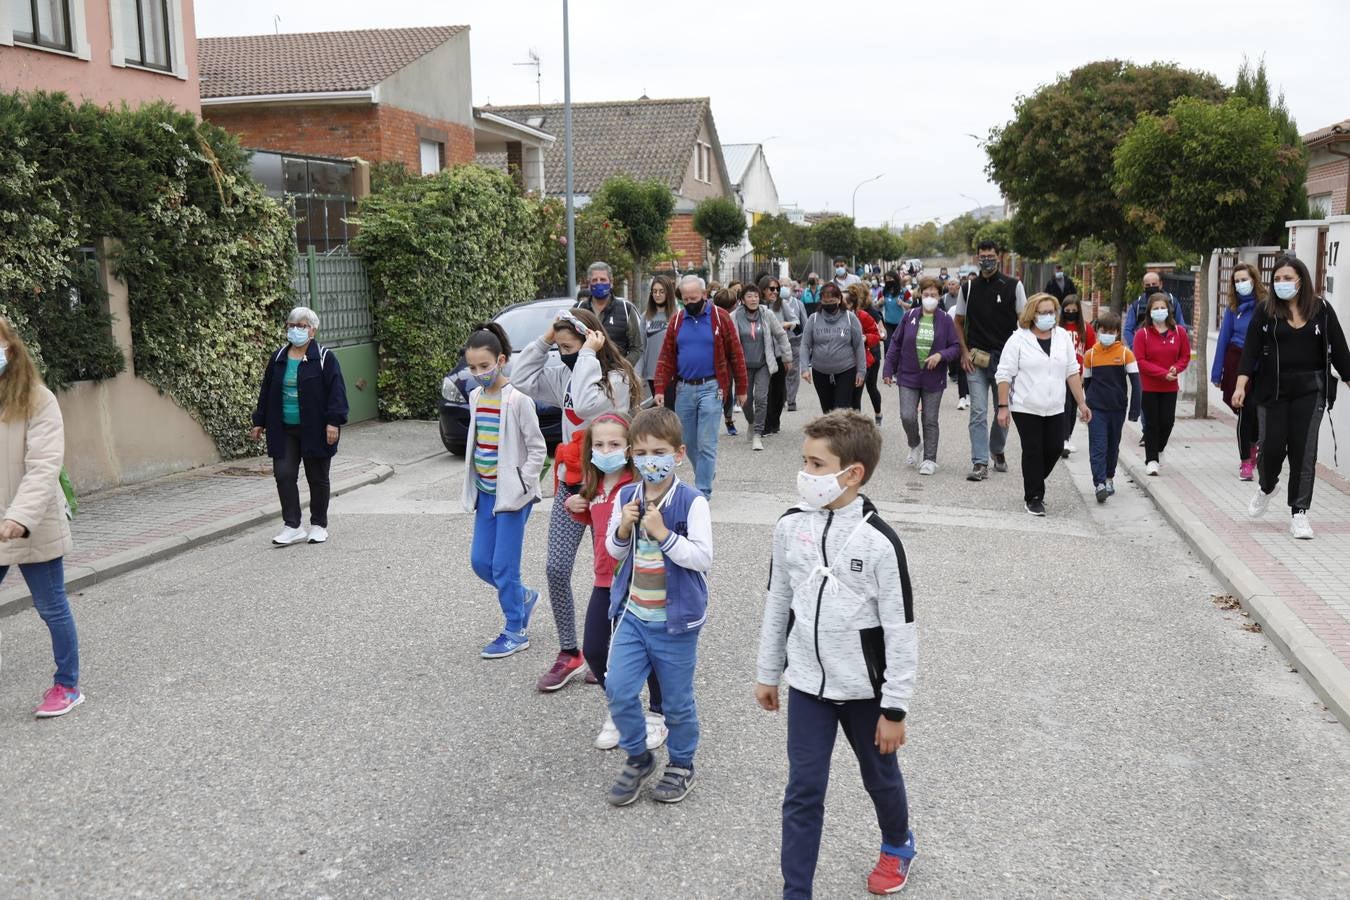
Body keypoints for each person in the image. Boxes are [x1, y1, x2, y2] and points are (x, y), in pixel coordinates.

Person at [755, 410, 917, 898]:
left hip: (865, 691)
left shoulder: (880, 543)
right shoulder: (789, 527)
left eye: (816, 464)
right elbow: (778, 602)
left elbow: (901, 629)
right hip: (807, 685)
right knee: (803, 791)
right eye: (804, 461)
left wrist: (894, 708)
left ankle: (898, 843)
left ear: (853, 473)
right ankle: (796, 889)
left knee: (879, 778)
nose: (806, 474)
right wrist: (769, 671)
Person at [512, 308, 642, 691]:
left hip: (610, 488)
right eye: (561, 347)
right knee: (556, 568)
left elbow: (586, 406)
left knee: (615, 573)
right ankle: (570, 652)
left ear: (591, 341)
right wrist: (546, 340)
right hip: (572, 486)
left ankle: (613, 647)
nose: (564, 354)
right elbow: (520, 379)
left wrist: (585, 354)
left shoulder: (616, 379)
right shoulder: (565, 371)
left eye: (570, 347)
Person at [603, 407, 712, 806]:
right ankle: (638, 755)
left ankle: (682, 763)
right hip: (634, 614)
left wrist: (663, 534)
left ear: (678, 453)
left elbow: (702, 558)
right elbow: (613, 551)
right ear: (632, 453)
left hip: (675, 622)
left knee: (677, 702)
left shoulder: (691, 501)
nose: (651, 460)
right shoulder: (626, 496)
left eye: (660, 452)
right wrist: (623, 527)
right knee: (617, 689)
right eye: (643, 452)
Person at [569, 412, 668, 752]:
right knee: (595, 650)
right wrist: (574, 504)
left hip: (636, 582)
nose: (606, 449)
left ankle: (657, 714)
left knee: (649, 650)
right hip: (602, 581)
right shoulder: (594, 486)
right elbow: (593, 521)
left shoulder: (635, 487)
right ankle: (621, 710)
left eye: (614, 443)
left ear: (628, 448)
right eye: (599, 444)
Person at [0, 317, 84, 718]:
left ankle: (67, 685)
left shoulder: (38, 400)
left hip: (32, 519)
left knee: (51, 606)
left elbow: (44, 465)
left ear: (10, 349)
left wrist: (19, 516)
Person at [1235, 255, 1350, 540]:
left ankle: (1299, 513)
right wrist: (1240, 386)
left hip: (1310, 391)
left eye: (1288, 278)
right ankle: (1266, 486)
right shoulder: (1266, 311)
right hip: (1273, 391)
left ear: (1301, 280)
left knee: (1304, 451)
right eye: (1277, 279)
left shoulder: (1321, 309)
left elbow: (1340, 349)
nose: (1282, 283)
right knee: (1271, 449)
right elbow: (1250, 351)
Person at [461, 323, 545, 659]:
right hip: (485, 493)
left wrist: (523, 482)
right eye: (472, 367)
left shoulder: (519, 401)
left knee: (504, 566)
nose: (479, 373)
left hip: (512, 497)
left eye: (485, 366)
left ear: (502, 360)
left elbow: (538, 448)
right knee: (481, 562)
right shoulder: (475, 397)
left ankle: (515, 629)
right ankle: (523, 597)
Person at [250, 306, 349, 546]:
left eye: (301, 326)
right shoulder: (279, 357)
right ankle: (292, 525)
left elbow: (336, 392)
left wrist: (333, 421)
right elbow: (267, 391)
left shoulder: (324, 358)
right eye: (292, 325)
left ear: (312, 331)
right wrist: (259, 421)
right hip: (283, 427)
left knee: (317, 477)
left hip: (316, 428)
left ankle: (318, 525)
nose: (295, 330)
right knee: (284, 475)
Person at [994, 293, 1091, 516]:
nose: (1049, 316)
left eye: (1051, 312)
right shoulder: (1018, 339)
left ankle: (1034, 478)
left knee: (1055, 447)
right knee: (1033, 450)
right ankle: (1034, 497)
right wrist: (1002, 407)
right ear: (1032, 314)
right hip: (1026, 406)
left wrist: (1082, 404)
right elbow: (1004, 374)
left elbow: (1071, 371)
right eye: (1043, 312)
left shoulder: (1063, 337)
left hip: (1056, 405)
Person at [652, 275, 748, 500]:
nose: (690, 302)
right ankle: (706, 469)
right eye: (685, 299)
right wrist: (659, 388)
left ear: (704, 295)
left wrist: (742, 389)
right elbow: (666, 356)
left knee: (707, 442)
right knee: (686, 441)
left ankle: (702, 491)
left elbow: (736, 354)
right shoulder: (677, 321)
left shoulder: (720, 317)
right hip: (684, 388)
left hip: (712, 387)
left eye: (694, 297)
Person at [954, 239, 1028, 481]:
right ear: (977, 258)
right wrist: (964, 351)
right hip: (976, 359)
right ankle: (980, 462)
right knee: (977, 411)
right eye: (982, 256)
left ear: (999, 257)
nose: (986, 259)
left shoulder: (1014, 286)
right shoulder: (969, 288)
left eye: (990, 255)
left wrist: (1022, 355)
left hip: (1005, 361)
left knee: (1002, 410)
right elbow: (959, 321)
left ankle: (996, 448)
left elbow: (1024, 321)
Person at [883, 276, 962, 475]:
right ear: (920, 294)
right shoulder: (909, 316)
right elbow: (895, 343)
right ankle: (915, 443)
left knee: (930, 419)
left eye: (933, 294)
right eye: (926, 294)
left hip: (933, 378)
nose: (929, 298)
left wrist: (940, 355)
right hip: (908, 375)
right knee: (907, 415)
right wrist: (888, 369)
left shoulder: (945, 320)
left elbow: (955, 348)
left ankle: (929, 459)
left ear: (939, 296)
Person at [1082, 311, 1141, 503]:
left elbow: (1136, 384)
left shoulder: (1126, 354)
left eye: (1110, 331)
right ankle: (1099, 483)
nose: (1106, 334)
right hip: (1096, 409)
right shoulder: (1090, 355)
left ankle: (1109, 478)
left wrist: (1134, 410)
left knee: (1112, 446)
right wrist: (1085, 405)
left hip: (1117, 409)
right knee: (1098, 446)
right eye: (1102, 330)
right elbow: (1087, 382)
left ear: (1117, 332)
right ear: (1097, 330)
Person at [1211, 263, 1263, 480]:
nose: (1241, 284)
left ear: (1254, 279)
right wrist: (1217, 373)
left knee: (1258, 411)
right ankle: (1246, 460)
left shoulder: (1266, 305)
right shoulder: (1233, 309)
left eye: (1245, 279)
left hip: (1261, 364)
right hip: (1236, 361)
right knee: (1245, 411)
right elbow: (1223, 339)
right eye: (1237, 281)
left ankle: (1255, 447)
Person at [1132, 292, 1191, 476]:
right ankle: (1151, 460)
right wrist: (1162, 374)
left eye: (1162, 308)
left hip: (1170, 387)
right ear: (1149, 311)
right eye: (1155, 308)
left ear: (1169, 310)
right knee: (1152, 424)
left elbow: (1185, 356)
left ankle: (1158, 449)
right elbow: (1140, 361)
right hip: (1149, 387)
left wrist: (1175, 369)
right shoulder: (1143, 334)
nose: (1159, 311)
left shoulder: (1179, 332)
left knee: (1167, 422)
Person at [733, 283, 793, 451]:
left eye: (756, 296)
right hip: (743, 366)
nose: (753, 299)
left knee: (761, 398)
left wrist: (787, 357)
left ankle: (758, 434)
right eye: (749, 296)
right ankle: (751, 422)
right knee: (745, 401)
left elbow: (780, 334)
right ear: (743, 300)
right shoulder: (734, 317)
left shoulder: (767, 314)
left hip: (763, 364)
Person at [800, 283, 866, 414]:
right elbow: (805, 345)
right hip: (820, 372)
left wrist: (861, 371)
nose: (828, 304)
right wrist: (804, 369)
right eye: (825, 301)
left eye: (832, 301)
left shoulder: (850, 318)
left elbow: (859, 345)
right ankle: (833, 434)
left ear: (839, 300)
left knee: (841, 410)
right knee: (828, 411)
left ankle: (841, 434)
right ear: (821, 301)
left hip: (846, 370)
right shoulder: (813, 319)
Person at [577, 261, 646, 369]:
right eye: (594, 280)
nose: (599, 283)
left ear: (611, 282)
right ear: (589, 283)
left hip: (617, 376)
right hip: (585, 374)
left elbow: (637, 348)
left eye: (603, 280)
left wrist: (622, 368)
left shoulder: (626, 309)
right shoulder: (578, 309)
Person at [1058, 295, 1096, 457]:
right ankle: (1063, 438)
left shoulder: (1086, 328)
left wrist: (1085, 374)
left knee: (1073, 406)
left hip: (1077, 374)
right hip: (1060, 374)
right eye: (1067, 311)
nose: (1071, 313)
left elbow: (1090, 352)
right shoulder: (1058, 328)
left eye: (1074, 311)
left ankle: (1068, 436)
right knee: (1063, 406)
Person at [765, 277, 803, 428]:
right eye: (771, 289)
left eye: (777, 289)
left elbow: (797, 322)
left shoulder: (783, 304)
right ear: (763, 290)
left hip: (780, 351)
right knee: (764, 389)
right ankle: (766, 421)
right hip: (762, 353)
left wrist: (787, 324)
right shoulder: (758, 305)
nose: (775, 292)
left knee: (778, 389)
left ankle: (775, 420)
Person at [846, 284, 885, 424]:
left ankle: (878, 414)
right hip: (849, 360)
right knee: (851, 394)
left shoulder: (869, 312)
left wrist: (865, 338)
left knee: (871, 388)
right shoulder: (839, 315)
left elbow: (881, 333)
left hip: (871, 356)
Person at [1123, 270, 1188, 353]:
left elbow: (1181, 326)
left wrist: (1176, 345)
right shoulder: (1137, 305)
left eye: (1154, 284)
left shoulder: (1172, 302)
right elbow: (1128, 330)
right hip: (1146, 350)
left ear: (1160, 284)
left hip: (1168, 349)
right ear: (1143, 286)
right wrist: (1135, 347)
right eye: (1148, 285)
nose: (1151, 287)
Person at [639, 275, 678, 402]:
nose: (657, 295)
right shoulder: (645, 317)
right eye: (654, 291)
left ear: (668, 293)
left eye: (661, 291)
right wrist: (639, 374)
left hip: (673, 374)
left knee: (671, 413)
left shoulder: (677, 316)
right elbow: (641, 347)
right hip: (652, 374)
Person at [943, 275, 971, 409]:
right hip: (959, 343)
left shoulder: (974, 308)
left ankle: (969, 395)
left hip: (974, 342)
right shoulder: (953, 310)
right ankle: (962, 397)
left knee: (971, 370)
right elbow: (947, 325)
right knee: (961, 370)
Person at [879, 270, 908, 349]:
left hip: (901, 324)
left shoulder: (904, 291)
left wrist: (903, 303)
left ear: (896, 279)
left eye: (890, 278)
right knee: (888, 346)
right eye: (886, 279)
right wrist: (880, 303)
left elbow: (912, 305)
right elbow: (876, 307)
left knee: (900, 346)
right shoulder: (882, 292)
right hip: (887, 324)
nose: (888, 281)